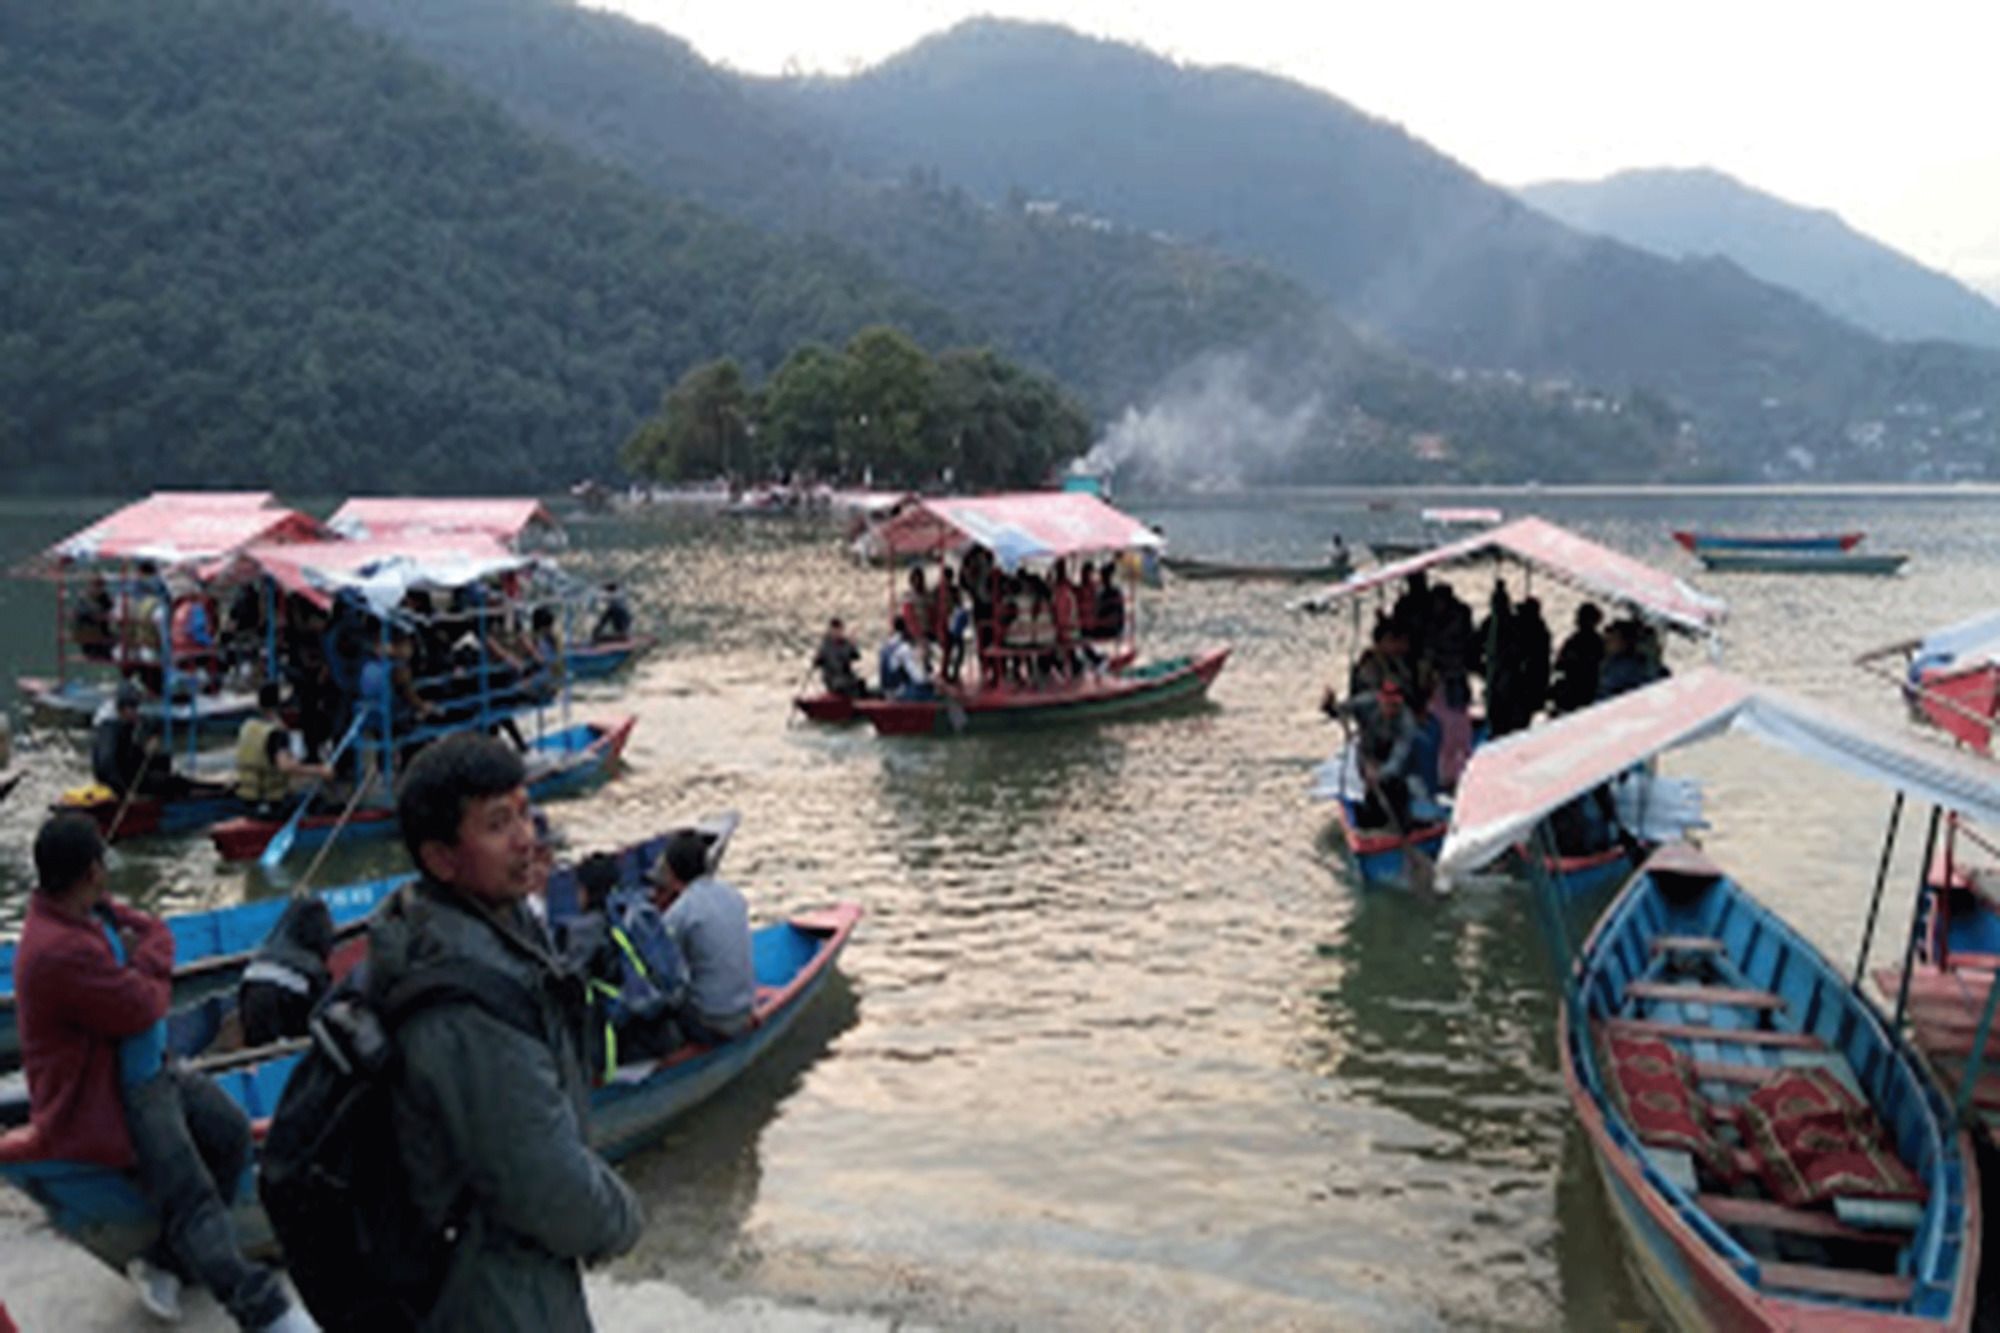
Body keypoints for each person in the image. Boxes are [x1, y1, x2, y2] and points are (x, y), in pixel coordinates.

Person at [370, 734, 642, 1330]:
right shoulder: (464, 1003)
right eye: (498, 825)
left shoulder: (487, 922)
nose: (527, 837)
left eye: (524, 811)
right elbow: (542, 1182)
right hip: (490, 1290)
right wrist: (622, 1215)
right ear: (440, 858)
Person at [15, 815, 313, 1331]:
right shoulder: (57, 951)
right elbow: (143, 1005)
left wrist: (147, 948)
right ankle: (265, 1312)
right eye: (103, 866)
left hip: (150, 1069)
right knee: (193, 1198)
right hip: (110, 1094)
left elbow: (142, 939)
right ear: (91, 871)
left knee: (231, 1134)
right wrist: (156, 953)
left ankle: (168, 1262)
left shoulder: (85, 914)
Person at [564, 853, 690, 1074]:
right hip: (665, 1030)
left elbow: (566, 986)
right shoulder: (641, 911)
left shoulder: (586, 931)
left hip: (623, 1044)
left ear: (585, 890)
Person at [650, 830, 755, 1046]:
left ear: (670, 871)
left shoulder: (680, 913)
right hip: (745, 1009)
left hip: (713, 1022)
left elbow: (660, 969)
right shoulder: (734, 894)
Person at [237, 895, 336, 1046]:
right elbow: (324, 1009)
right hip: (281, 1014)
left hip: (249, 991)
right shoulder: (310, 967)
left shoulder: (265, 952)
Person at [1324, 680, 1419, 831]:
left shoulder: (1406, 723)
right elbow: (1341, 711)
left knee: (1396, 795)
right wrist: (1330, 706)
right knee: (1370, 810)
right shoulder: (1367, 703)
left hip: (1393, 769)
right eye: (1386, 704)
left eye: (1394, 705)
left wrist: (1381, 773)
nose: (1389, 709)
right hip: (1367, 758)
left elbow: (1400, 756)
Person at [234, 683, 332, 816]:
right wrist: (319, 770)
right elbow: (285, 766)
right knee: (318, 800)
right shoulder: (277, 734)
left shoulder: (247, 726)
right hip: (271, 801)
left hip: (246, 797)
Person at [91, 681, 183, 799]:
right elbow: (106, 765)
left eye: (137, 706)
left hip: (128, 771)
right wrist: (123, 793)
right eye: (133, 707)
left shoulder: (125, 720)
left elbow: (148, 725)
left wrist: (151, 739)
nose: (136, 711)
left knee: (164, 761)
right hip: (119, 783)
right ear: (122, 708)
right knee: (171, 783)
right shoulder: (109, 729)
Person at [1550, 603, 1606, 714]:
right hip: (1585, 691)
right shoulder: (1598, 642)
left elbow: (1560, 664)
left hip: (1575, 691)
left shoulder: (1577, 640)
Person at [877, 616, 934, 700]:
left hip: (886, 689)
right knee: (927, 691)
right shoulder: (904, 647)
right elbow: (918, 678)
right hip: (897, 691)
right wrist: (930, 679)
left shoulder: (884, 646)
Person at [811, 617, 868, 697]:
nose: (837, 633)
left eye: (839, 630)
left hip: (846, 676)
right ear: (831, 630)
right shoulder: (825, 646)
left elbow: (856, 657)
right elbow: (816, 663)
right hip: (832, 678)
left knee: (861, 683)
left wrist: (853, 645)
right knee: (842, 684)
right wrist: (816, 658)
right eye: (835, 630)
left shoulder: (846, 643)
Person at [72, 573, 117, 662]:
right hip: (88, 634)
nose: (99, 589)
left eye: (101, 586)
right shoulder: (84, 599)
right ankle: (95, 653)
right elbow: (83, 612)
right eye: (96, 585)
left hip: (103, 633)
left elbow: (111, 608)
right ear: (90, 586)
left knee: (118, 640)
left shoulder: (104, 597)